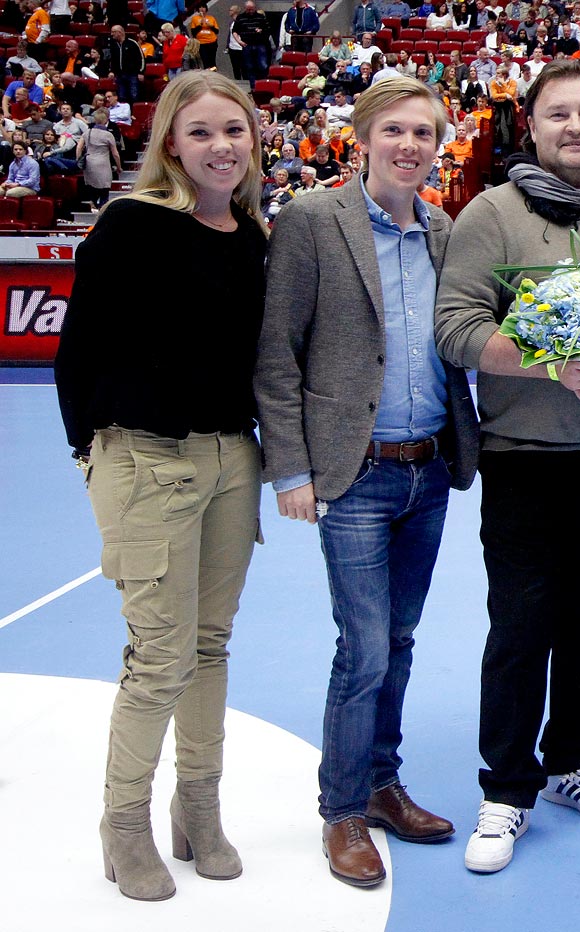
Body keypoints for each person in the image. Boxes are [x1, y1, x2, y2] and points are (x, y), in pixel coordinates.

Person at [255, 77, 480, 889]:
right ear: (362, 138)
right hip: (352, 474)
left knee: (398, 641)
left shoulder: (446, 231)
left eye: (424, 132)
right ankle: (342, 809)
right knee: (363, 648)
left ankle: (383, 783)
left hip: (429, 469)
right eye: (395, 131)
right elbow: (278, 351)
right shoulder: (316, 220)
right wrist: (290, 469)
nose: (410, 146)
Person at [433, 59, 580, 875]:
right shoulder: (490, 215)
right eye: (557, 114)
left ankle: (571, 760)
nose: (574, 128)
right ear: (531, 127)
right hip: (525, 463)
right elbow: (455, 329)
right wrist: (547, 363)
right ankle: (507, 788)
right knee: (523, 626)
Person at [53, 70, 267, 904]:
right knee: (160, 658)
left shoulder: (251, 233)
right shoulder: (129, 225)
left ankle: (199, 812)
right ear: (171, 143)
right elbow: (78, 355)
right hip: (146, 461)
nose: (221, 146)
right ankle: (125, 826)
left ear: (254, 143)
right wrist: (93, 458)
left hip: (230, 461)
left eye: (236, 131)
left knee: (210, 647)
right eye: (203, 131)